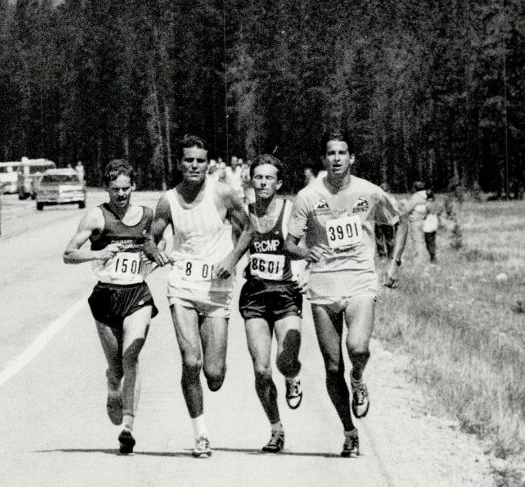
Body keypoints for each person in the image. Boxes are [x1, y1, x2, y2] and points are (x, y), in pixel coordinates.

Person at [285, 131, 406, 458]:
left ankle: (359, 378)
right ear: (323, 159)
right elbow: (289, 242)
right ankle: (349, 431)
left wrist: (393, 264)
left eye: (342, 153)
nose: (336, 158)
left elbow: (399, 222)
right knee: (332, 366)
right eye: (330, 153)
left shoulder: (369, 192)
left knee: (358, 348)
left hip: (360, 280)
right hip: (323, 285)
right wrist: (303, 253)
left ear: (352, 157)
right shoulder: (308, 196)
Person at [144, 135, 253, 458]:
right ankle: (201, 432)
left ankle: (211, 378)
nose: (194, 166)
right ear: (179, 163)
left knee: (214, 375)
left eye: (199, 160)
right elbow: (150, 238)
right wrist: (157, 254)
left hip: (217, 290)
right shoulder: (168, 200)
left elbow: (248, 228)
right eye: (188, 160)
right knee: (191, 360)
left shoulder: (221, 193)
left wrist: (231, 260)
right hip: (182, 287)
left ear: (208, 164)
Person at [63, 159, 157, 454]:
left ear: (134, 187)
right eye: (115, 189)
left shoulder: (147, 216)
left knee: (132, 356)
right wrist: (99, 253)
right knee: (117, 369)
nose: (120, 194)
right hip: (106, 296)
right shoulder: (96, 217)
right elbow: (68, 254)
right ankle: (112, 384)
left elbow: (157, 246)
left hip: (137, 295)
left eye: (126, 189)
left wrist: (154, 259)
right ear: (107, 188)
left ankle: (128, 427)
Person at [239, 154, 303, 453]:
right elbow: (237, 247)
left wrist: (307, 272)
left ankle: (291, 377)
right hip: (254, 297)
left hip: (286, 294)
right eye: (258, 177)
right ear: (251, 180)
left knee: (285, 360)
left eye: (269, 178)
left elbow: (312, 243)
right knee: (262, 370)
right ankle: (276, 429)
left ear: (279, 183)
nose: (263, 182)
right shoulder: (245, 212)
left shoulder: (291, 210)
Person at [399, 181, 429, 263]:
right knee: (424, 240)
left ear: (415, 188)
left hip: (416, 221)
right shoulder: (427, 195)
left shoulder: (416, 197)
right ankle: (425, 257)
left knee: (417, 240)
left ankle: (419, 260)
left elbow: (407, 209)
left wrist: (404, 203)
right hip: (425, 220)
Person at [375, 181, 398, 259]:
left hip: (379, 221)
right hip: (389, 221)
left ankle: (382, 256)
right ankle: (390, 255)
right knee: (390, 239)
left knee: (379, 240)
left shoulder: (377, 198)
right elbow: (395, 210)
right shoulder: (391, 198)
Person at [423, 189, 440, 262]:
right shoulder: (435, 203)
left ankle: (433, 258)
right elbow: (438, 212)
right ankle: (433, 256)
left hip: (428, 224)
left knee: (428, 242)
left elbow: (424, 215)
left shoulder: (426, 204)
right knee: (432, 240)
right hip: (435, 222)